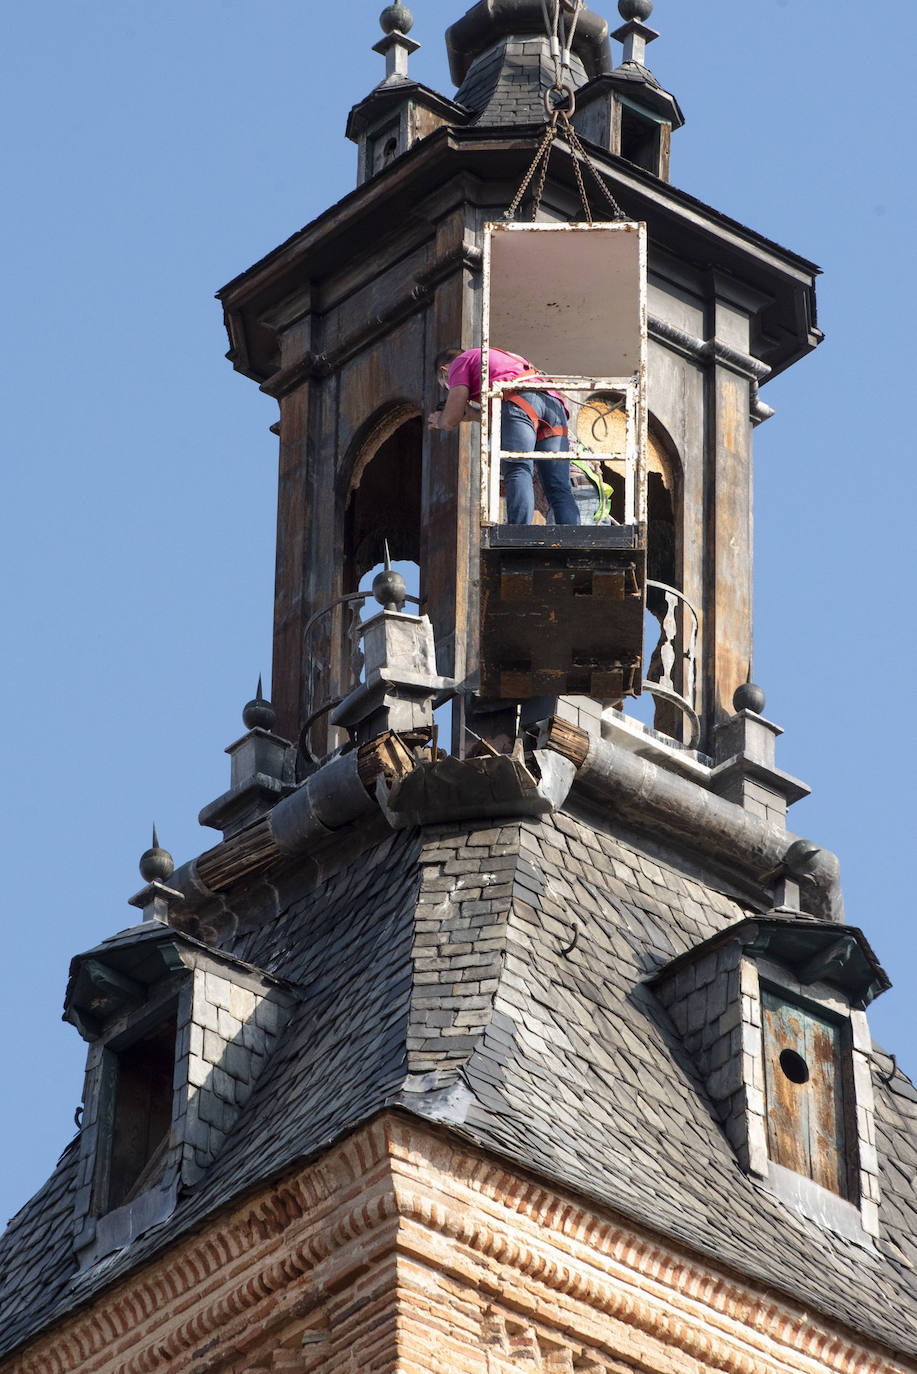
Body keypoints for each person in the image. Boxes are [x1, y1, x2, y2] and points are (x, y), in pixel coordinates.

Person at [428, 346, 580, 525]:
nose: (449, 387)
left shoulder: (459, 363)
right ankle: (571, 532)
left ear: (444, 370)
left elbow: (450, 419)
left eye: (446, 385)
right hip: (553, 405)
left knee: (518, 468)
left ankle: (518, 531)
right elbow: (508, 423)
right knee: (558, 486)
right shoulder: (499, 360)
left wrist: (440, 421)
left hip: (519, 400)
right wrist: (472, 414)